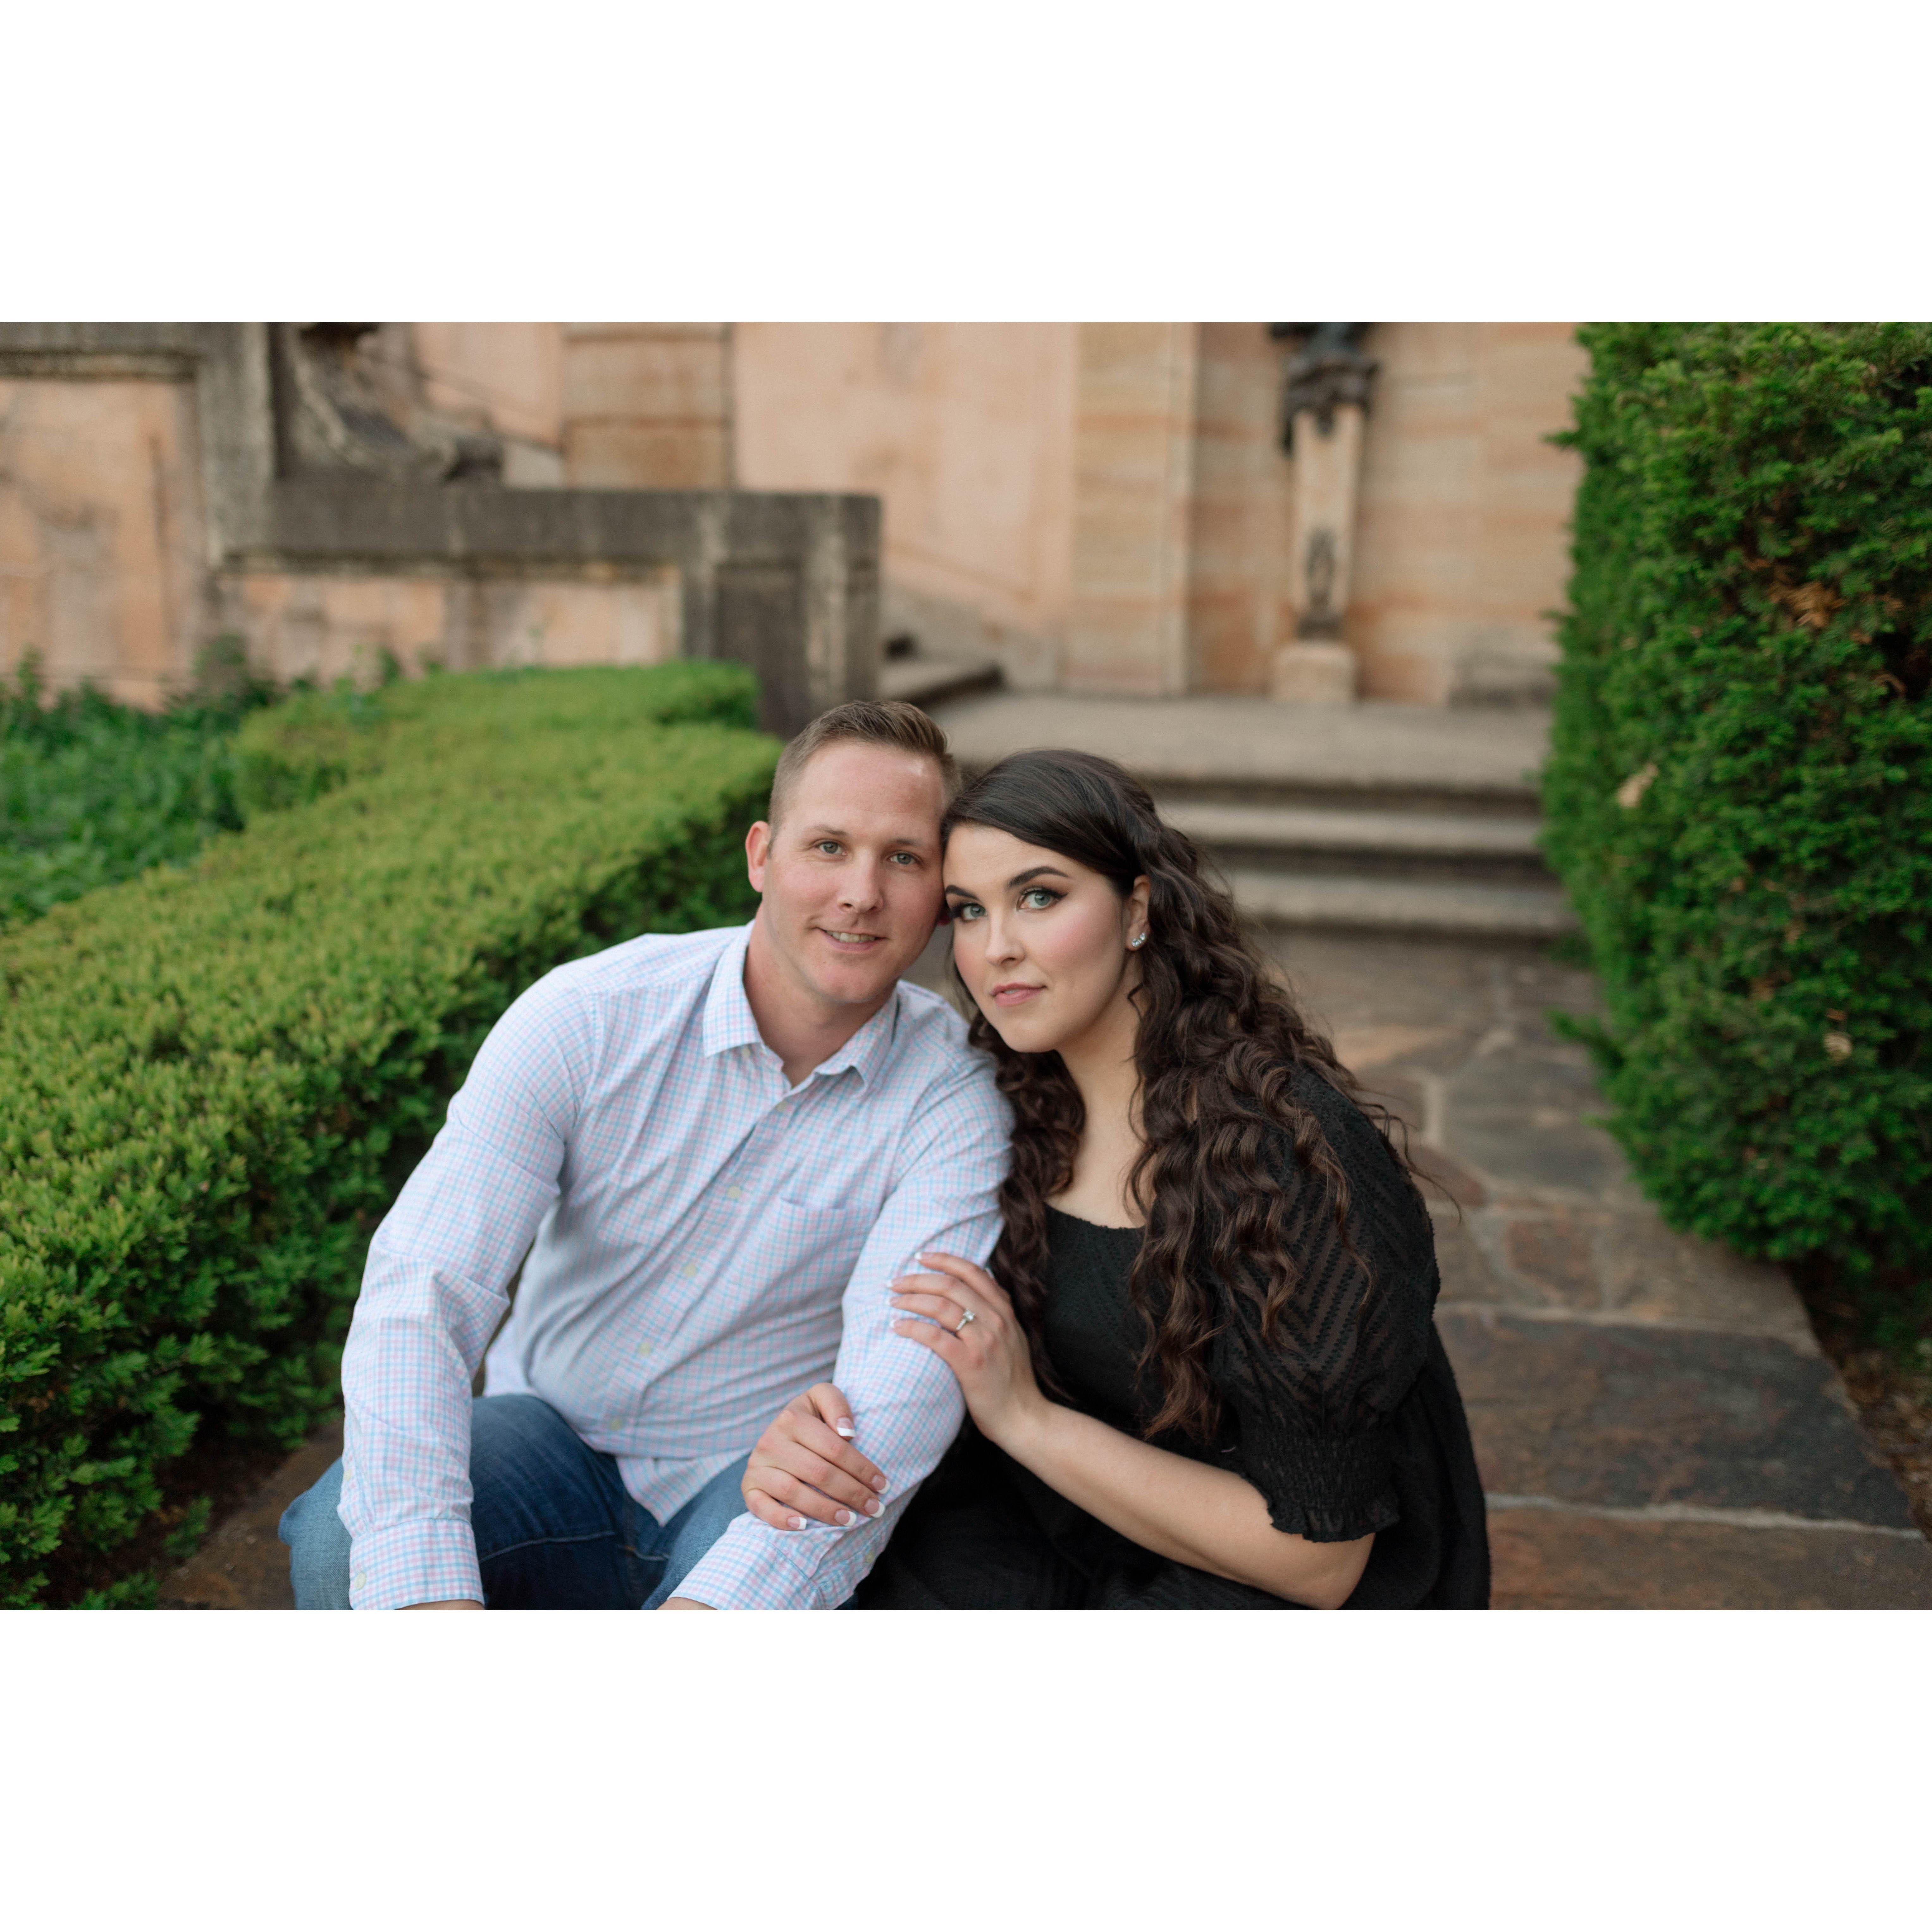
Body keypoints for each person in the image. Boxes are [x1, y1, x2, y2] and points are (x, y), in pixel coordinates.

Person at [278, 700, 1009, 1610]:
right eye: (828, 846)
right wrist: (428, 1597)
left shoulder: (954, 1099)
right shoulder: (587, 1016)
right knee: (342, 1540)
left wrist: (712, 1612)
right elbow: (424, 1288)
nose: (862, 891)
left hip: (751, 1470)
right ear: (761, 856)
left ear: (941, 894)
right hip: (547, 1434)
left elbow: (902, 1386)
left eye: (903, 858)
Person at [741, 749, 1490, 1609]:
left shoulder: (1287, 1159)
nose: (997, 950)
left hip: (1267, 1579)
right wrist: (819, 1426)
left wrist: (1025, 1417)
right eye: (969, 911)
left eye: (1039, 897)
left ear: (1138, 908)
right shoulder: (1010, 1101)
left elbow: (1319, 1563)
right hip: (1071, 1521)